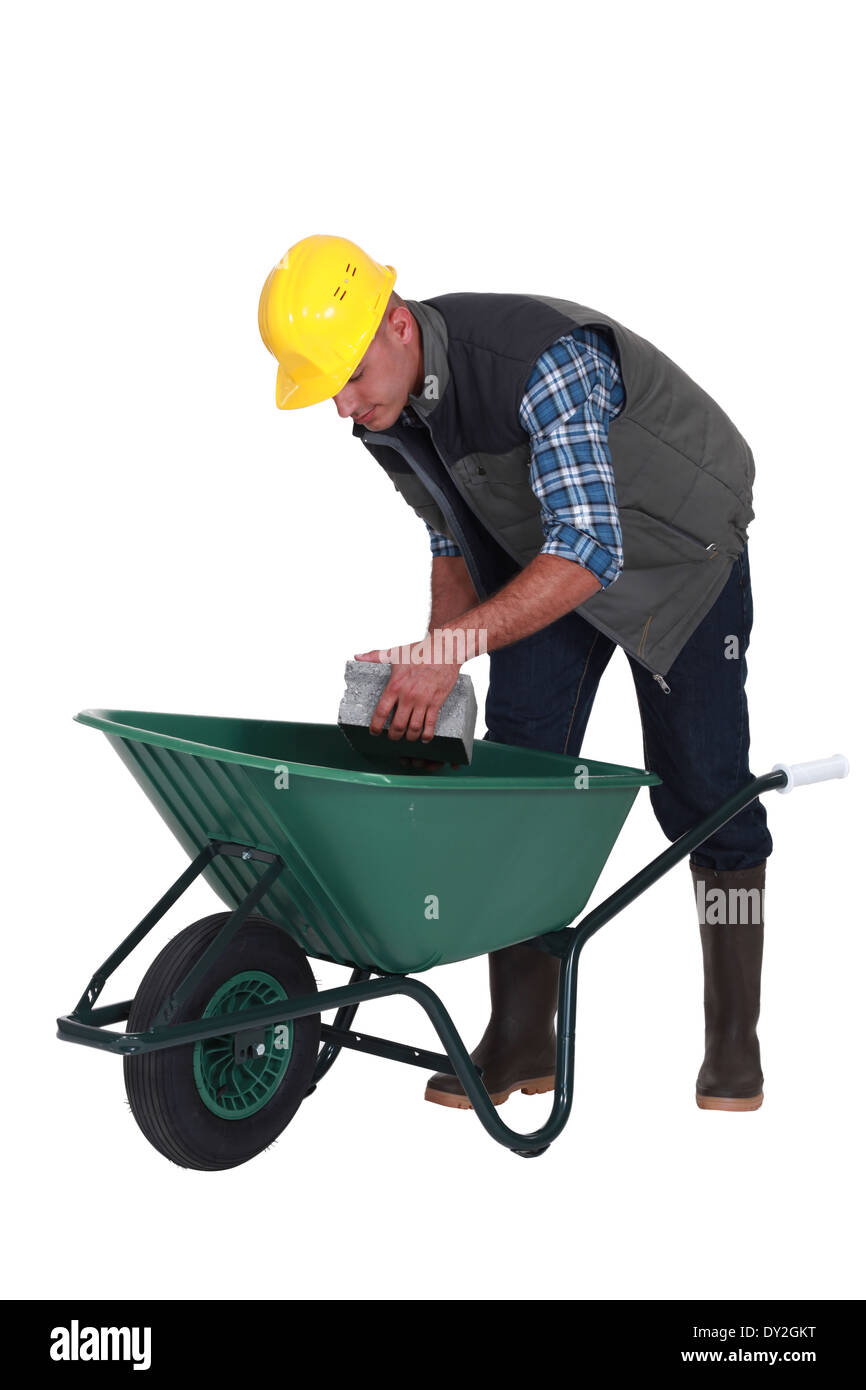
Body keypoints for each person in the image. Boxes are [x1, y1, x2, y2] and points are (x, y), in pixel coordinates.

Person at [258, 233, 772, 1114]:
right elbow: (455, 534)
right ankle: (523, 1036)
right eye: (327, 391)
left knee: (705, 787)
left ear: (393, 325)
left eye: (346, 378)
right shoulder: (383, 412)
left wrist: (452, 650)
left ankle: (734, 1038)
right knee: (519, 772)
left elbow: (592, 549)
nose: (342, 407)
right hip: (551, 552)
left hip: (678, 556)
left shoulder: (541, 361)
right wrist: (435, 664)